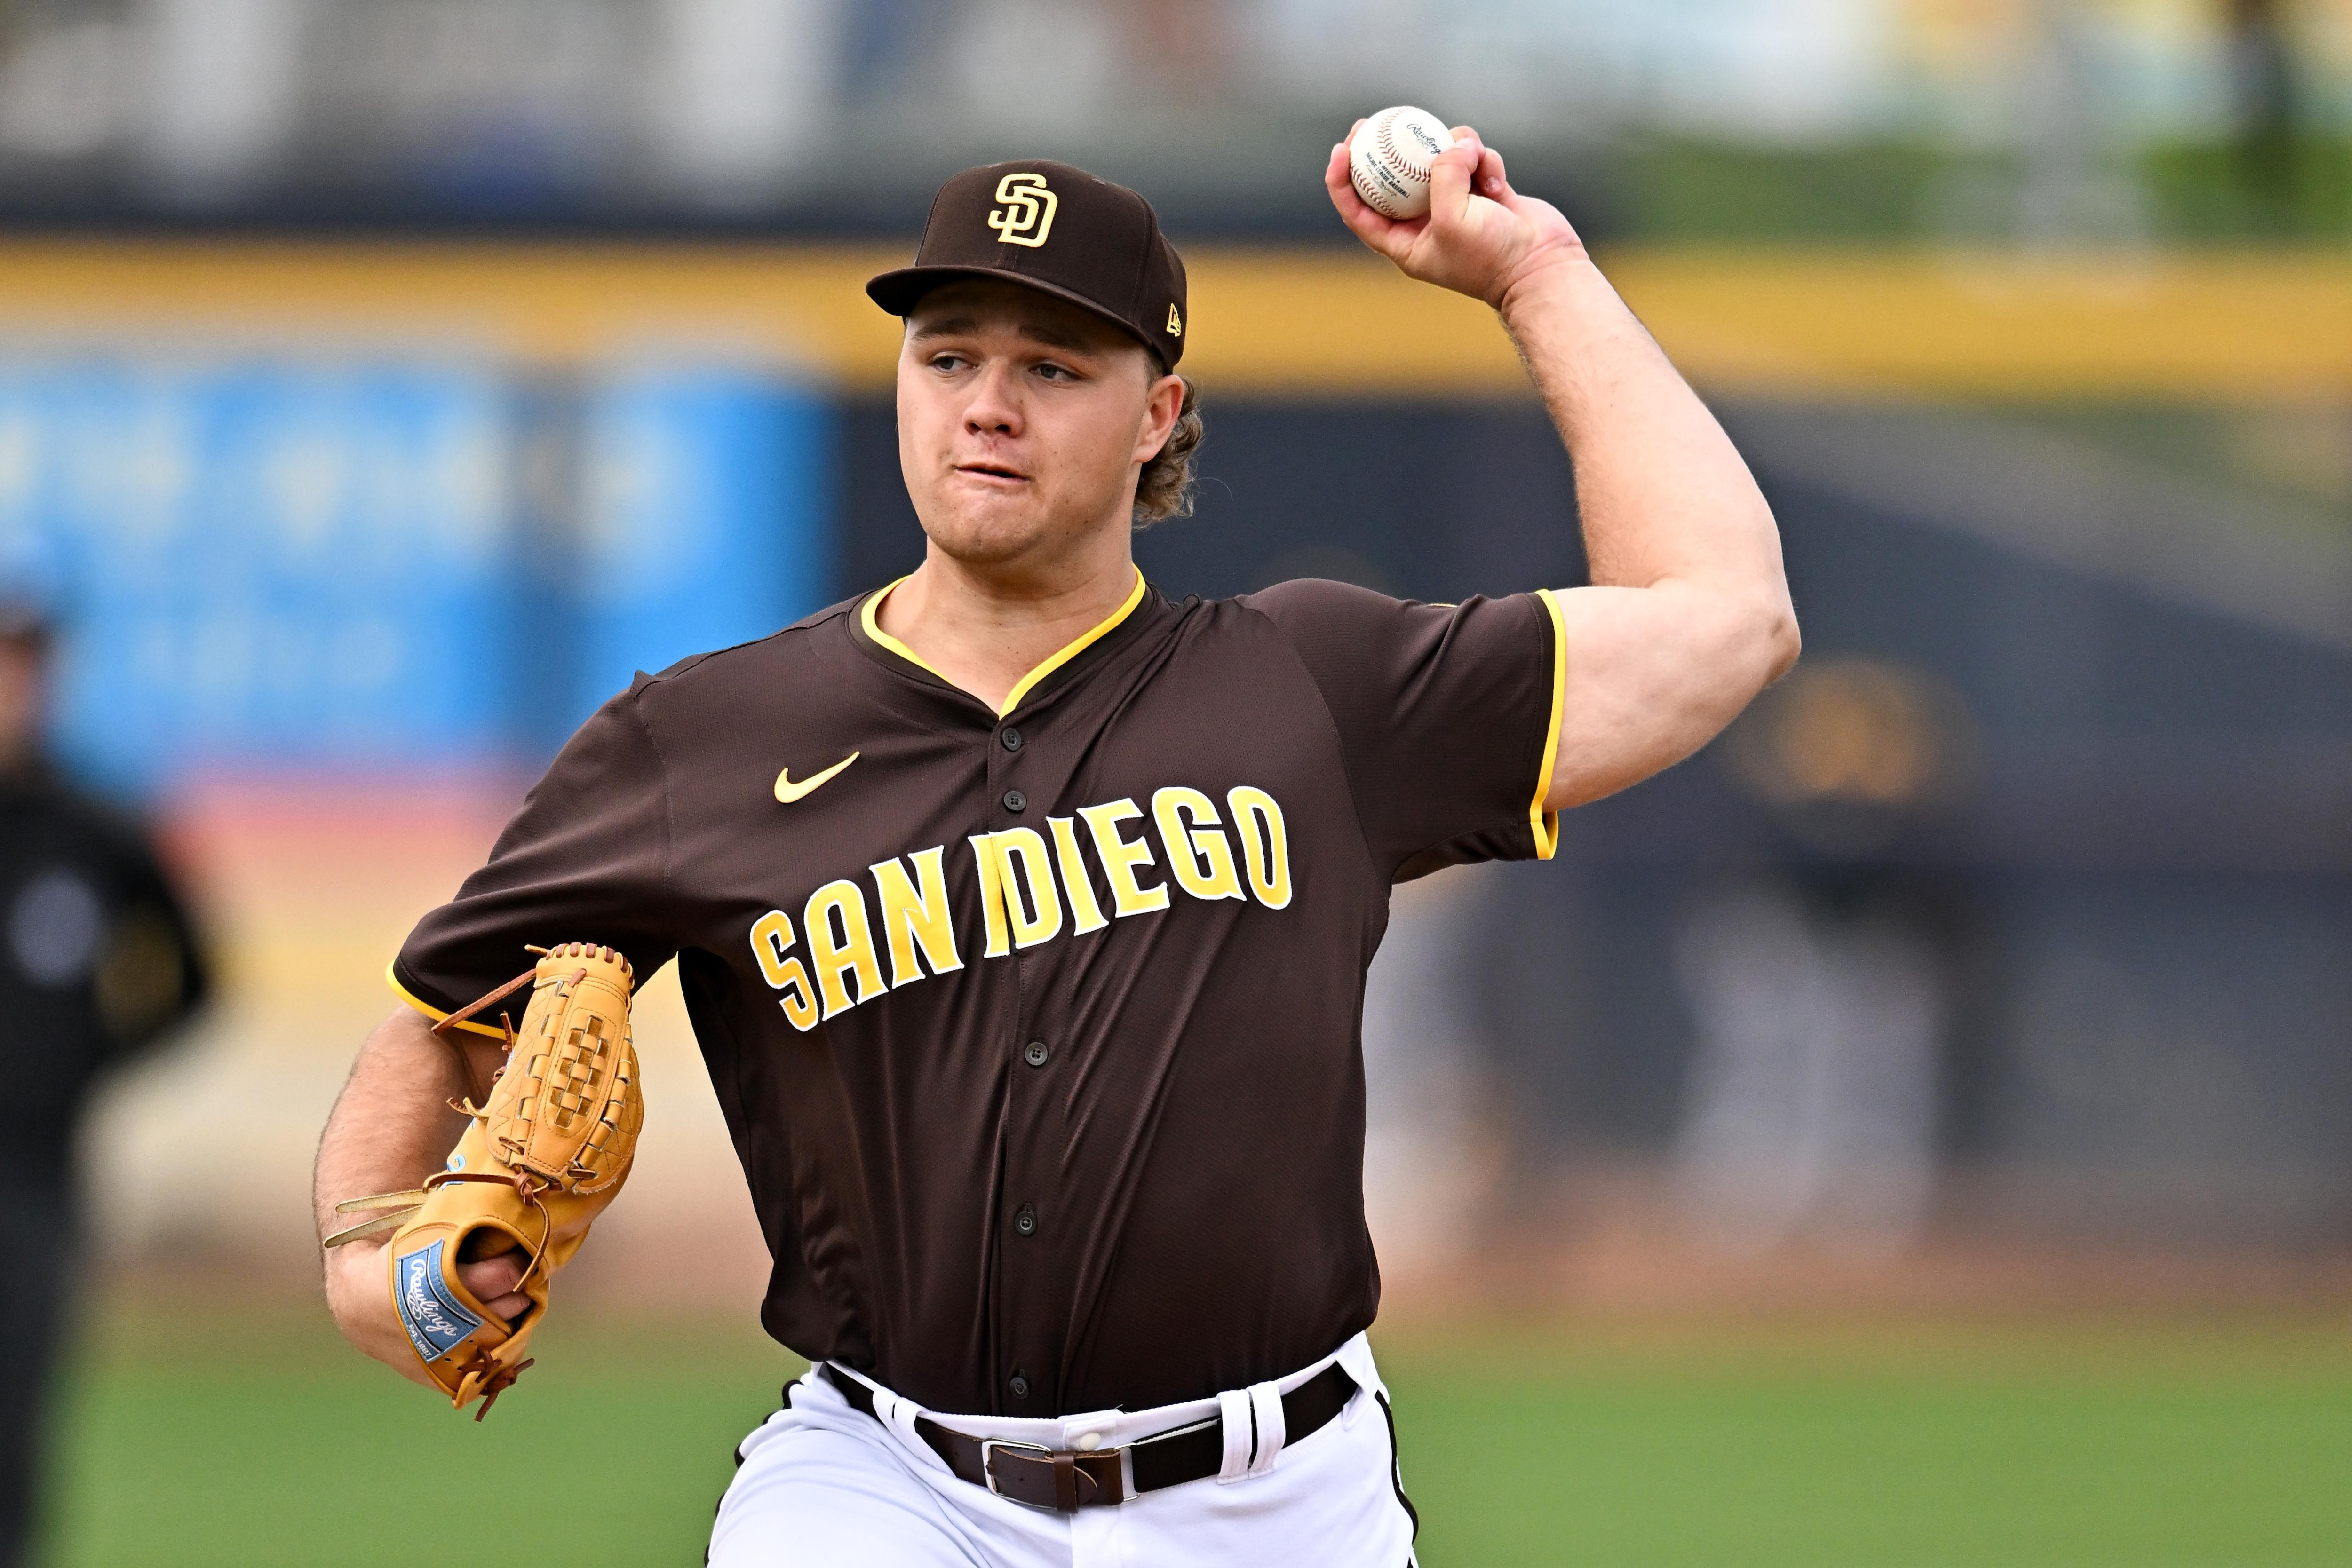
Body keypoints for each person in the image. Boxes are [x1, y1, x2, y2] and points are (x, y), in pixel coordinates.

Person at [316, 128, 1796, 1564]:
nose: (986, 405)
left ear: (1158, 414)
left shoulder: (1316, 689)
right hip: (885, 1480)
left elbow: (1726, 618)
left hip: (1273, 1494)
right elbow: (449, 1020)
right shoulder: (697, 741)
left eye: (1053, 368)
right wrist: (370, 1260)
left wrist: (1536, 271)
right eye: (948, 354)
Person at [0, 601, 210, 1568]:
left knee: (14, 1420)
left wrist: (81, 1063)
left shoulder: (95, 831)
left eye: (22, 664)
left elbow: (197, 977)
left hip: (33, 1176)